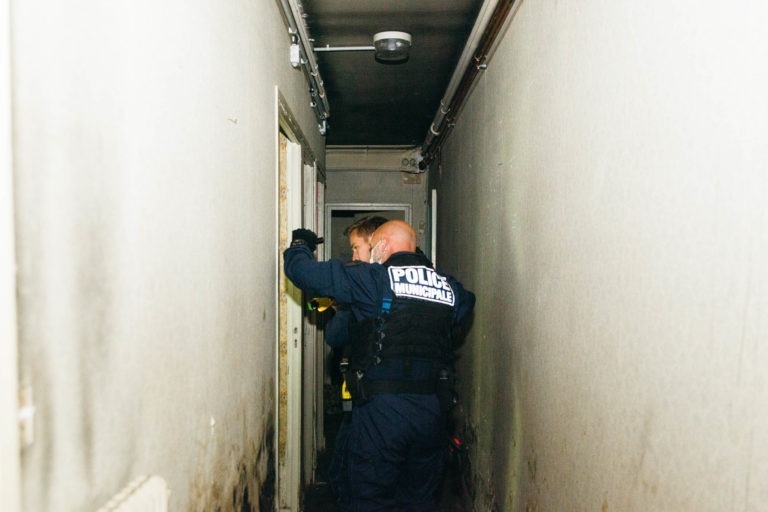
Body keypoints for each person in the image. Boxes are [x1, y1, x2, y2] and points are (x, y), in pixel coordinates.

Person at [284, 220, 475, 511]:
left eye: (372, 247)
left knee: (370, 498)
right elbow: (465, 305)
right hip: (432, 413)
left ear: (383, 246)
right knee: (418, 499)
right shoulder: (449, 288)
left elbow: (303, 273)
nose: (370, 253)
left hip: (382, 412)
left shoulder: (372, 279)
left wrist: (300, 246)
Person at [326, 215, 388, 510]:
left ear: (374, 245)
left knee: (349, 472)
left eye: (355, 248)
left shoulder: (362, 288)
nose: (352, 256)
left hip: (369, 401)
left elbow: (335, 337)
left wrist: (343, 308)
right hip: (402, 402)